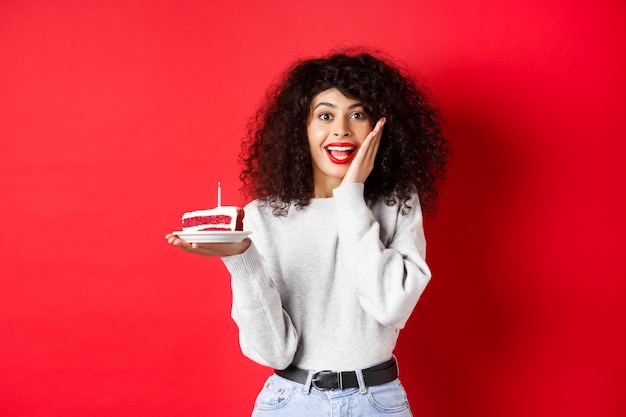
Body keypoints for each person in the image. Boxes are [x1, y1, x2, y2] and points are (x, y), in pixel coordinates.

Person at [166, 49, 448, 416]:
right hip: (291, 402)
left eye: (357, 114)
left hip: (377, 403)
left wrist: (350, 195)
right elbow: (274, 353)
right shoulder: (263, 217)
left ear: (379, 128)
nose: (342, 129)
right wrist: (241, 259)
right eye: (325, 115)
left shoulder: (396, 203)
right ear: (302, 127)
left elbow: (390, 306)